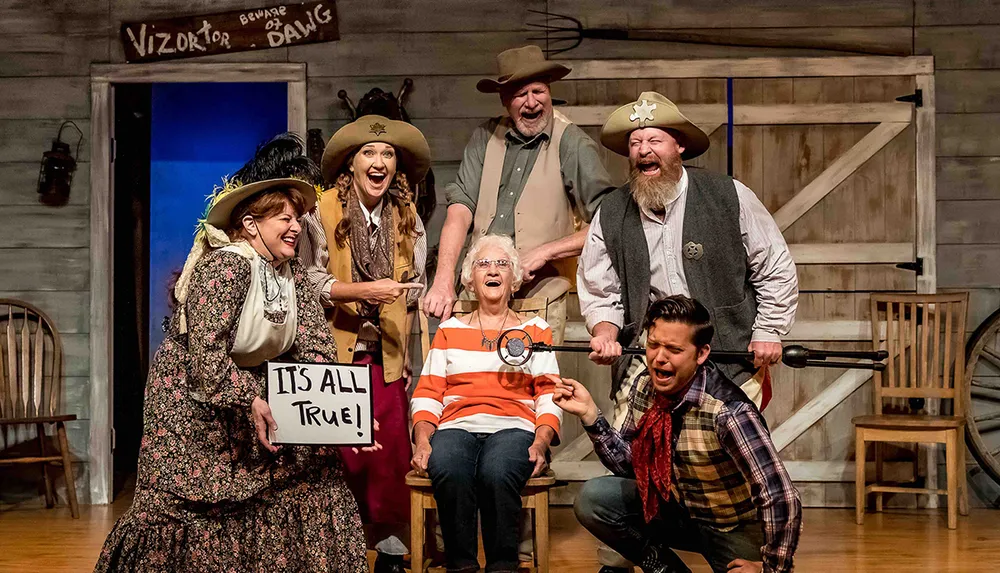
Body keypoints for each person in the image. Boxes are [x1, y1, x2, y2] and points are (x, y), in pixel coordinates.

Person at [94, 134, 369, 572]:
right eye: (284, 217)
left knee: (318, 478)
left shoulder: (291, 272)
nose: (297, 226)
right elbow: (205, 360)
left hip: (253, 395)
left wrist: (344, 411)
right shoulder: (227, 265)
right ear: (250, 223)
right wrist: (251, 399)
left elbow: (315, 346)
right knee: (188, 513)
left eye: (299, 217)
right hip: (195, 405)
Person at [553, 295, 802, 573]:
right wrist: (590, 416)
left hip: (730, 525)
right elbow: (630, 466)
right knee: (595, 498)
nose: (659, 357)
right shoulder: (644, 387)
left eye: (673, 349)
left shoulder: (728, 412)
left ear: (701, 354)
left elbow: (780, 495)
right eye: (653, 344)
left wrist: (771, 569)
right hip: (679, 512)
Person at [579, 91, 798, 404]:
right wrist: (604, 333)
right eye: (635, 143)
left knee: (723, 447)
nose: (644, 151)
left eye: (654, 141)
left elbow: (774, 266)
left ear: (678, 146)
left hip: (726, 357)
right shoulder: (612, 211)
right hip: (652, 358)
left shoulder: (727, 195)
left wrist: (768, 330)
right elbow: (600, 289)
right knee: (635, 445)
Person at [423, 45, 616, 343]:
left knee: (530, 386)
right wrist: (444, 278)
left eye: (537, 91)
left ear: (549, 91)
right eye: (519, 94)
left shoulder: (572, 143)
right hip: (478, 294)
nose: (531, 103)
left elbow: (609, 223)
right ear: (503, 100)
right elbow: (460, 210)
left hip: (538, 299)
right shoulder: (485, 138)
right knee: (468, 380)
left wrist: (544, 252)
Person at [298, 114, 430, 551]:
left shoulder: (407, 216)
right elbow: (307, 280)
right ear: (350, 165)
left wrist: (407, 347)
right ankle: (335, 546)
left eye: (387, 154)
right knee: (341, 457)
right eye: (369, 153)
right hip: (332, 353)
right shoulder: (320, 211)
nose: (379, 162)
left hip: (385, 354)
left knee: (390, 456)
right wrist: (363, 290)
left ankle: (392, 547)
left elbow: (414, 288)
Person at [410, 234, 563, 573]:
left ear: (514, 279)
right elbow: (428, 393)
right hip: (455, 425)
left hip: (515, 427)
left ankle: (502, 566)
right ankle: (461, 565)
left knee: (497, 470)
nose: (493, 271)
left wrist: (541, 442)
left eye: (502, 264)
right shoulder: (449, 330)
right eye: (483, 264)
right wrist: (423, 440)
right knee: (448, 465)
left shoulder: (535, 330)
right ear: (470, 279)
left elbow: (549, 393)